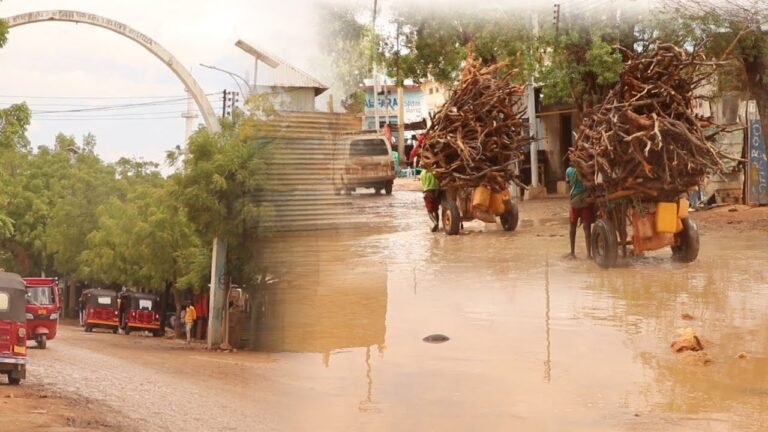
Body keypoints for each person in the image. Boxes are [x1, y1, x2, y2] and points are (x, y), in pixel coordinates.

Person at [566, 165, 593, 258]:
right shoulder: (587, 169)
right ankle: (589, 254)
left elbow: (569, 185)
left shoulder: (569, 171)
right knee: (587, 228)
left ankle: (572, 252)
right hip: (586, 200)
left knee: (572, 227)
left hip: (574, 201)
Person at [420, 168, 441, 232]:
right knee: (436, 210)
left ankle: (435, 223)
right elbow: (438, 178)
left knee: (429, 211)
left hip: (428, 192)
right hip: (437, 191)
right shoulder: (434, 171)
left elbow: (423, 185)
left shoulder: (422, 173)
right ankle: (437, 226)